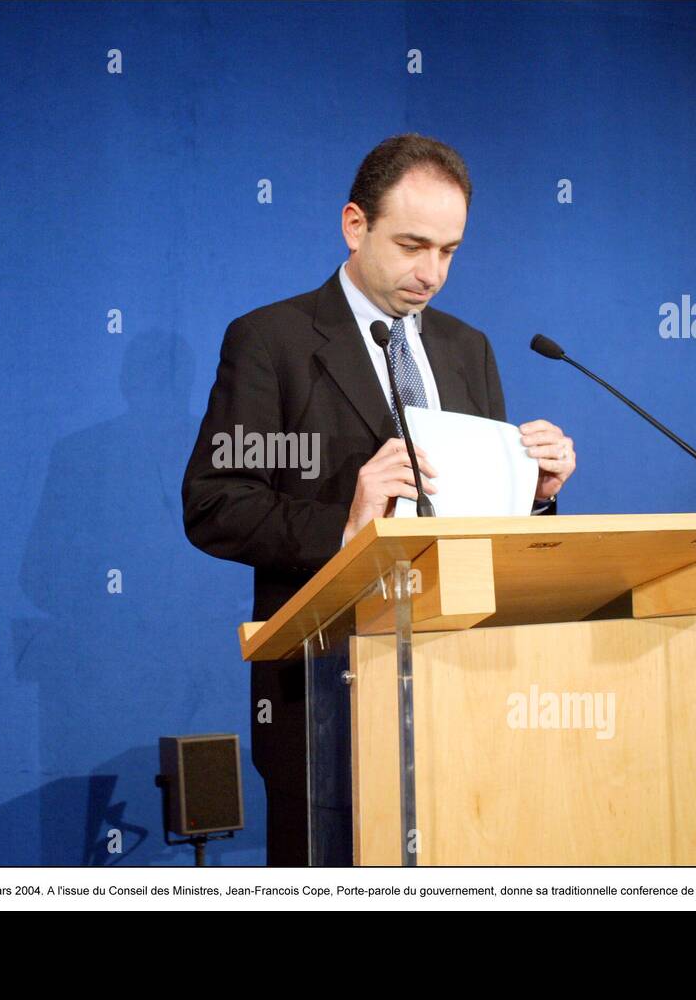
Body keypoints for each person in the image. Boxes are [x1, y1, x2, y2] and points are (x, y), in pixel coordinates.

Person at [182, 133, 576, 864]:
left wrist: (536, 496)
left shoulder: (468, 349)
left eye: (450, 251)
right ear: (355, 225)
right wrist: (349, 524)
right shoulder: (272, 341)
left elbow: (478, 523)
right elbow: (214, 502)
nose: (431, 273)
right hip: (327, 690)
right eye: (413, 244)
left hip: (465, 686)